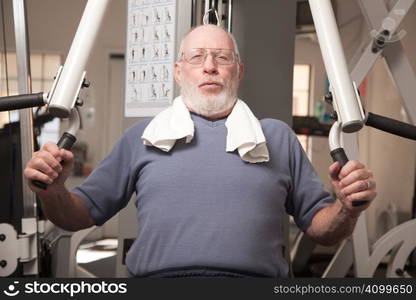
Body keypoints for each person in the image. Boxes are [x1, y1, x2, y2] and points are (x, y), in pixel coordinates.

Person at [24, 25, 376, 278]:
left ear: (238, 70)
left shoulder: (277, 137)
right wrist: (53, 190)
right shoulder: (142, 137)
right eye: (197, 57)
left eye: (222, 57)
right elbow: (76, 216)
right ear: (179, 72)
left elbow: (322, 229)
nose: (210, 66)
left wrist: (346, 207)